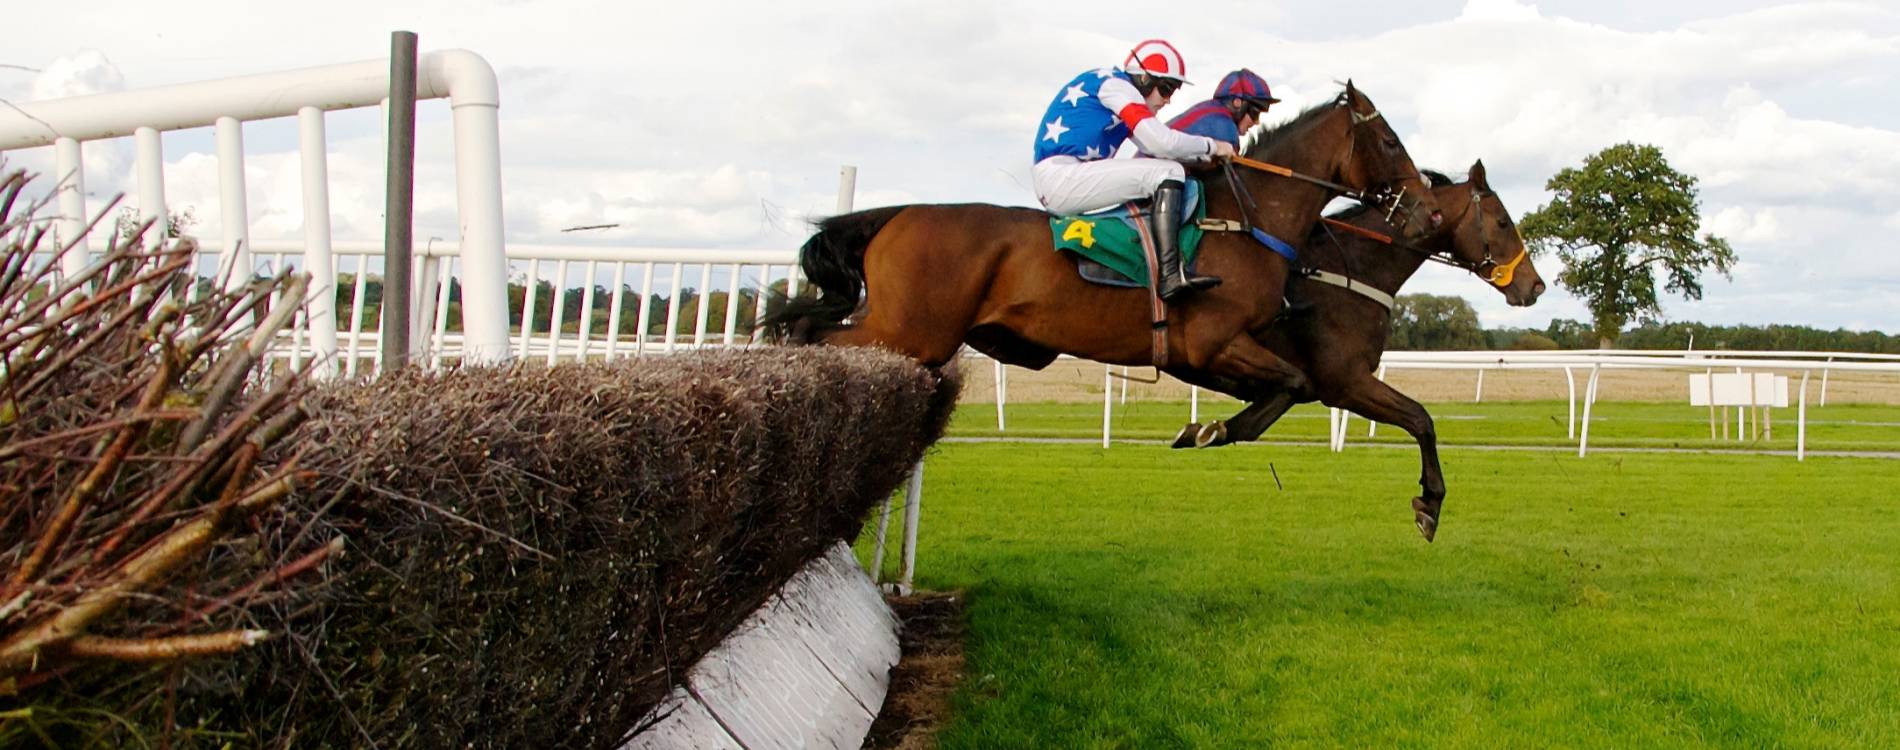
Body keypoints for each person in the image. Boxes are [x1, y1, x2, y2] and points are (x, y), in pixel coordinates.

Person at [1032, 39, 1236, 301]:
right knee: (1169, 173)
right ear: (1143, 79)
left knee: (1165, 169)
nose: (1167, 100)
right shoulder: (1118, 87)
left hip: (1063, 175)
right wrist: (1212, 146)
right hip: (1062, 177)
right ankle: (1170, 275)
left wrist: (1207, 154)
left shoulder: (1113, 88)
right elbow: (1161, 142)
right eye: (1166, 89)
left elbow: (1155, 148)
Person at [1167, 68, 1280, 148]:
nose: (1257, 122)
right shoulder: (1226, 129)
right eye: (1255, 113)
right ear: (1237, 103)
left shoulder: (1210, 109)